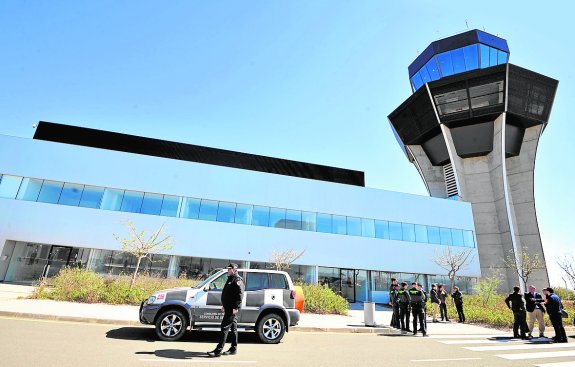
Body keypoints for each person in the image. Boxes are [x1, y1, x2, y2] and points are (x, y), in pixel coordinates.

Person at [208, 263, 245, 357]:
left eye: (229, 269)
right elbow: (227, 293)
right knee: (233, 329)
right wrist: (224, 305)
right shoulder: (230, 278)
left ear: (234, 269)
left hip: (232, 309)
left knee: (224, 327)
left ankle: (218, 351)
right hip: (228, 307)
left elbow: (240, 295)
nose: (228, 271)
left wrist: (236, 308)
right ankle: (233, 349)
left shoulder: (238, 280)